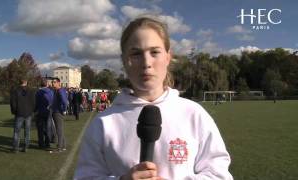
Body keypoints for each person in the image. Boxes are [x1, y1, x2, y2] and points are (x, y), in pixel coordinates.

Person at [74, 17, 233, 179]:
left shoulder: (194, 114)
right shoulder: (102, 123)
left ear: (168, 57)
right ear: (124, 60)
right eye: (136, 53)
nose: (146, 62)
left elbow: (219, 175)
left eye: (155, 52)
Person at [10, 78, 35, 153]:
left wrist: (15, 112)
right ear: (26, 82)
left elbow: (13, 103)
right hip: (28, 114)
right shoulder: (31, 91)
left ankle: (15, 148)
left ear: (19, 82)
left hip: (19, 114)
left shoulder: (15, 91)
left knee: (17, 131)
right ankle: (26, 147)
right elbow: (33, 103)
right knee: (27, 131)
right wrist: (31, 111)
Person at [35, 78, 54, 149]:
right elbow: (52, 102)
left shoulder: (38, 92)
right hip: (48, 112)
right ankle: (47, 143)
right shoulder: (50, 92)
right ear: (46, 84)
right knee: (48, 128)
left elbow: (35, 102)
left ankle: (41, 143)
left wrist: (35, 110)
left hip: (40, 112)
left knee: (40, 128)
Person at [50, 77, 68, 153]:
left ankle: (59, 148)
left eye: (54, 82)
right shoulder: (56, 90)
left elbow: (64, 101)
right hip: (56, 111)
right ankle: (63, 146)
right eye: (52, 82)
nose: (53, 83)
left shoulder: (60, 91)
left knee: (59, 130)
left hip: (58, 112)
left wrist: (64, 110)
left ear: (58, 83)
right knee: (60, 129)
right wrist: (51, 106)